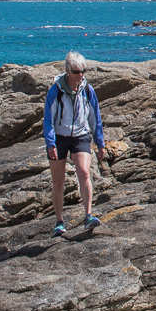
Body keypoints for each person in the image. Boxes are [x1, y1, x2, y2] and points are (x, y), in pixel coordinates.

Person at [43, 51, 106, 236]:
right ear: (67, 70)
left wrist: (100, 142)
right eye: (77, 71)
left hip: (81, 135)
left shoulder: (88, 90)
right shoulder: (55, 91)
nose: (81, 75)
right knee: (58, 182)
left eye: (83, 71)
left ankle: (88, 215)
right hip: (59, 138)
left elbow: (95, 118)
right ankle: (59, 222)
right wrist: (50, 143)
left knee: (84, 171)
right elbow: (48, 120)